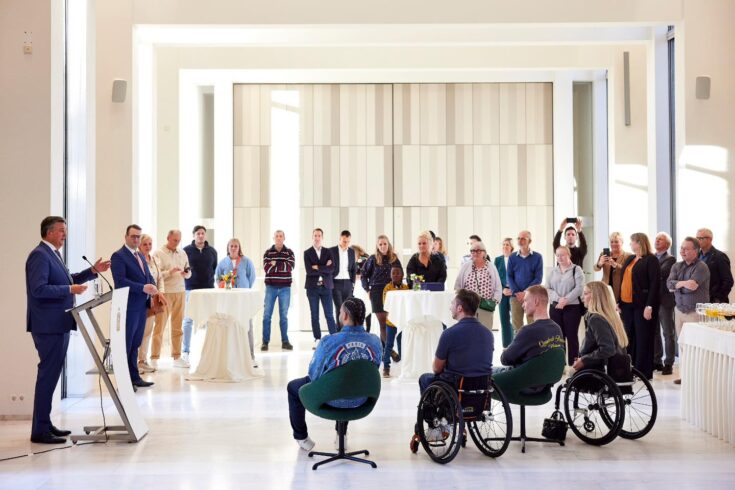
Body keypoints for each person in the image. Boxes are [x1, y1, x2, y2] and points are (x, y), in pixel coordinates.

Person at [26, 216, 110, 444]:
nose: (65, 234)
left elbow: (68, 279)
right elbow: (38, 289)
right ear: (49, 232)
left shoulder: (53, 254)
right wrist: (69, 289)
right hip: (48, 325)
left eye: (65, 230)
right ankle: (40, 431)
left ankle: (45, 424)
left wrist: (92, 271)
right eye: (62, 230)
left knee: (51, 375)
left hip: (58, 323)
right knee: (47, 376)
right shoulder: (39, 255)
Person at [286, 298, 382, 451]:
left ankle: (302, 437)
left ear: (345, 316)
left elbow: (314, 376)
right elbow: (371, 372)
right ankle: (341, 435)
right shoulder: (375, 341)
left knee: (293, 387)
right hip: (362, 399)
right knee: (352, 381)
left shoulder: (328, 342)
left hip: (330, 399)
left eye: (340, 312)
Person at [418, 289, 494, 394]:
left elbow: (436, 368)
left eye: (452, 304)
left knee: (424, 378)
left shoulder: (449, 333)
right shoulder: (488, 334)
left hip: (457, 387)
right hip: (482, 387)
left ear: (459, 308)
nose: (450, 308)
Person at [111, 224, 158, 390]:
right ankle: (124, 383)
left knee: (135, 343)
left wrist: (153, 287)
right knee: (126, 344)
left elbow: (148, 276)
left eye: (138, 236)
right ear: (126, 237)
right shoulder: (118, 256)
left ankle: (134, 377)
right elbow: (120, 281)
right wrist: (143, 288)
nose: (136, 239)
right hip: (128, 307)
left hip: (141, 306)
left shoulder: (139, 255)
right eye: (133, 236)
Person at [496, 285, 565, 393]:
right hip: (544, 387)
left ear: (536, 301)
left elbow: (505, 359)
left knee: (483, 374)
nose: (523, 305)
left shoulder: (528, 331)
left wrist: (508, 349)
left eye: (525, 301)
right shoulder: (557, 329)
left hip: (522, 385)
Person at [667, 237, 710, 384]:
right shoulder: (676, 266)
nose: (682, 251)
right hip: (679, 311)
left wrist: (677, 286)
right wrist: (683, 284)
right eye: (681, 248)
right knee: (683, 344)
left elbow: (692, 287)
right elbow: (669, 285)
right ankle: (685, 376)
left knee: (696, 346)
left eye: (686, 249)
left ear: (696, 251)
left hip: (695, 312)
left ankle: (696, 378)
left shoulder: (701, 267)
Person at [618, 233, 660, 380]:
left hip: (642, 305)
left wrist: (649, 306)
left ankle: (643, 372)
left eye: (632, 242)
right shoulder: (630, 258)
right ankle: (630, 369)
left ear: (639, 243)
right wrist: (618, 301)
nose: (630, 244)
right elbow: (624, 281)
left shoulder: (651, 259)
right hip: (627, 305)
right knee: (628, 337)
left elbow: (655, 284)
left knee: (643, 338)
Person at [151, 229, 191, 368]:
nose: (177, 243)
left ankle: (177, 356)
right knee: (160, 326)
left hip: (180, 291)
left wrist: (186, 274)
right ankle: (154, 358)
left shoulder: (183, 253)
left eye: (179, 240)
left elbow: (188, 271)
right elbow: (155, 275)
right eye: (174, 240)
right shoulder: (158, 253)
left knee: (178, 326)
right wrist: (170, 272)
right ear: (168, 237)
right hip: (165, 293)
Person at [215, 238, 257, 360]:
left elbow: (251, 277)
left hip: (243, 298)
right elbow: (218, 279)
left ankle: (250, 356)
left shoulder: (247, 261)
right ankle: (231, 356)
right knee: (230, 325)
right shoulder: (223, 263)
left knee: (247, 325)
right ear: (228, 248)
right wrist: (226, 284)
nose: (233, 248)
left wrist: (244, 288)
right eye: (231, 246)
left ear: (239, 248)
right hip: (229, 299)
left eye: (236, 246)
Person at [572, 281, 629, 372]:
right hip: (613, 368)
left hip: (596, 369)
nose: (582, 297)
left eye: (585, 293)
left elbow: (607, 349)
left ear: (595, 296)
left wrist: (584, 360)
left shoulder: (596, 319)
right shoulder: (611, 317)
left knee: (571, 373)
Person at [545, 246, 585, 365]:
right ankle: (559, 364)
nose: (559, 257)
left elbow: (579, 288)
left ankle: (573, 365)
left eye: (562, 255)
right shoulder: (552, 271)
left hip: (572, 308)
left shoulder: (577, 269)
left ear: (568, 255)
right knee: (558, 337)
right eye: (557, 255)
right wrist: (559, 299)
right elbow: (547, 288)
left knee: (572, 336)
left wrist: (565, 300)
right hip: (555, 307)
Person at [182, 225, 217, 361]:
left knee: (210, 319)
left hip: (208, 289)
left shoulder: (212, 251)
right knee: (188, 320)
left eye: (203, 233)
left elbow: (213, 268)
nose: (201, 235)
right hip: (191, 289)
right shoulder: (186, 251)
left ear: (205, 235)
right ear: (194, 235)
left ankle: (210, 350)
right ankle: (185, 351)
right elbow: (184, 268)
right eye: (198, 233)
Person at [361, 235, 402, 347]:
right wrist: (367, 290)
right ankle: (388, 350)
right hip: (376, 292)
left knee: (391, 323)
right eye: (380, 244)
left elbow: (400, 274)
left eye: (385, 244)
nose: (383, 246)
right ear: (377, 246)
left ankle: (386, 349)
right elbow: (364, 275)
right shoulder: (372, 259)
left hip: (391, 292)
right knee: (383, 323)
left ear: (388, 245)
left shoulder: (394, 258)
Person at [137, 234, 168, 374]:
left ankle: (142, 360)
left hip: (153, 300)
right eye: (145, 244)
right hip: (140, 299)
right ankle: (134, 362)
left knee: (148, 331)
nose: (148, 247)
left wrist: (160, 293)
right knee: (138, 331)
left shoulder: (155, 259)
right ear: (139, 245)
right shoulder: (136, 260)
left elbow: (159, 278)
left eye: (150, 244)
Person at [454, 241, 501, 331]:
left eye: (478, 251)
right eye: (473, 251)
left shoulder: (491, 267)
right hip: (468, 307)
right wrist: (460, 302)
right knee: (468, 332)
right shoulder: (465, 266)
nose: (475, 253)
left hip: (485, 307)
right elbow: (458, 286)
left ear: (484, 253)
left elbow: (498, 287)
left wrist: (494, 302)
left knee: (485, 332)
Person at [262, 230, 295, 351]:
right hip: (270, 287)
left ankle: (285, 341)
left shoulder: (289, 252)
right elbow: (267, 268)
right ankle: (265, 342)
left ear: (284, 238)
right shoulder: (268, 252)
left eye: (281, 236)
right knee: (267, 315)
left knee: (284, 316)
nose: (279, 238)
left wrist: (275, 263)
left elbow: (290, 267)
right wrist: (282, 265)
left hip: (285, 288)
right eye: (277, 236)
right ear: (274, 238)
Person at [304, 228, 337, 347]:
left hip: (326, 287)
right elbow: (309, 271)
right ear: (312, 237)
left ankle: (334, 338)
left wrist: (317, 267)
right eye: (315, 235)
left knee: (329, 314)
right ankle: (317, 338)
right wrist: (324, 267)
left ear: (322, 237)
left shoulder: (328, 252)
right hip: (312, 288)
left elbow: (332, 269)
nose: (317, 238)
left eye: (319, 236)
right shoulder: (307, 253)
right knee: (314, 315)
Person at [507, 230, 543, 332]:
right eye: (518, 238)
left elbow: (538, 278)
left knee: (533, 325)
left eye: (523, 238)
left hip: (532, 296)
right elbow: (509, 276)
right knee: (517, 327)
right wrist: (517, 292)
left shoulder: (537, 257)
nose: (520, 240)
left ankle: (532, 343)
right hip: (516, 297)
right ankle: (519, 343)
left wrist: (526, 293)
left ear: (529, 241)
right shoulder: (512, 257)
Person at [653, 232, 677, 375]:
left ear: (667, 244)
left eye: (660, 239)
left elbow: (660, 273)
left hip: (665, 300)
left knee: (668, 332)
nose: (657, 241)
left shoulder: (670, 259)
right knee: (655, 332)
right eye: (656, 239)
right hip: (652, 300)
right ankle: (657, 361)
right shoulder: (651, 257)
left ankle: (669, 362)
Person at [381, 264, 408, 377]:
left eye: (398, 273)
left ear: (402, 275)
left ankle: (404, 366)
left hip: (402, 321)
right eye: (393, 273)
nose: (395, 275)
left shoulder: (406, 288)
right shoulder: (387, 288)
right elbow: (386, 304)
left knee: (402, 343)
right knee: (389, 344)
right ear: (390, 275)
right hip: (391, 321)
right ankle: (386, 367)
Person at [696, 228, 734, 303]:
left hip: (715, 301)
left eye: (701, 238)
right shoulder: (697, 256)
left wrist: (718, 298)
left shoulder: (719, 256)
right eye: (697, 238)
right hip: (699, 299)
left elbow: (728, 281)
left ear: (710, 239)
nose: (698, 241)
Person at [594, 231, 630, 304]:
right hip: (606, 286)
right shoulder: (604, 254)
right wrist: (600, 263)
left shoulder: (628, 255)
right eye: (611, 242)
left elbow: (628, 271)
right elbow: (596, 269)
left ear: (622, 242)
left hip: (620, 288)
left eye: (616, 242)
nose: (613, 244)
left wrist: (616, 265)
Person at [330, 230, 357, 329]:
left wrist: (353, 282)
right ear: (340, 239)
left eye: (348, 241)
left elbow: (354, 268)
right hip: (336, 283)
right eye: (344, 241)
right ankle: (339, 331)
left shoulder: (351, 252)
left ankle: (346, 330)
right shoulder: (331, 251)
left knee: (348, 308)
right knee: (339, 308)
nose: (346, 244)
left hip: (348, 283)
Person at [495, 238, 515, 348]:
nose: (505, 246)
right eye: (503, 244)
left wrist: (513, 289)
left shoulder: (516, 259)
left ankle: (515, 344)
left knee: (515, 320)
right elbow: (495, 278)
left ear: (511, 247)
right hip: (502, 293)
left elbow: (520, 276)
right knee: (504, 319)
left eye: (507, 244)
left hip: (514, 293)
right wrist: (502, 289)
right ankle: (507, 345)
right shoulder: (498, 260)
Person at [352, 244, 373, 333]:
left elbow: (362, 273)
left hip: (363, 285)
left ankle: (367, 329)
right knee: (361, 306)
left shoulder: (364, 258)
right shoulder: (360, 258)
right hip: (358, 285)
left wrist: (357, 276)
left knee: (366, 306)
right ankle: (363, 328)